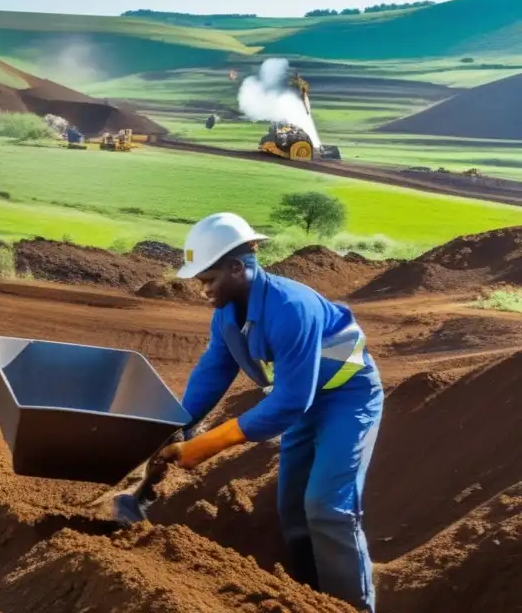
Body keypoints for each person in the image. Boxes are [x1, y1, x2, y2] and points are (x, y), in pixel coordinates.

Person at [116, 212, 383, 613]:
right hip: (304, 405)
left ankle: (352, 608)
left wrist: (209, 443)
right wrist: (174, 427)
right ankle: (310, 598)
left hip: (347, 399)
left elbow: (292, 400)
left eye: (208, 280)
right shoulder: (227, 314)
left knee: (327, 507)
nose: (202, 290)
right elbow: (213, 372)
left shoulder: (291, 307)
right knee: (293, 509)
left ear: (237, 268)